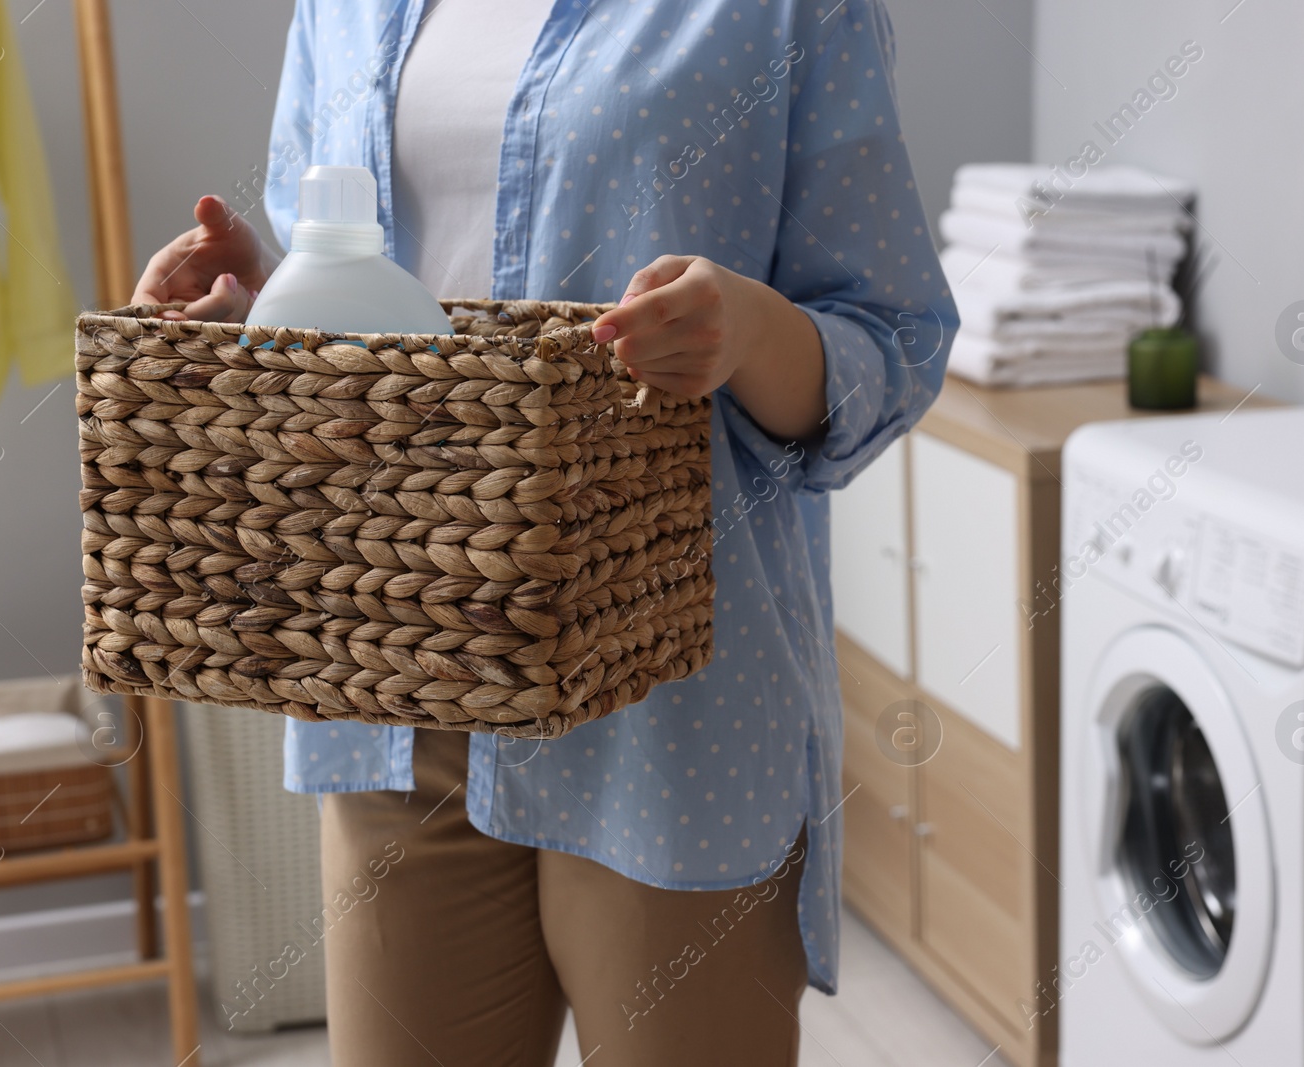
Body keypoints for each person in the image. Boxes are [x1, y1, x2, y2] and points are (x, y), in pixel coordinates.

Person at [132, 1, 954, 1063]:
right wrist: (256, 301)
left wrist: (747, 330)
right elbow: (341, 289)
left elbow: (890, 340)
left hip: (670, 703)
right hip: (394, 678)